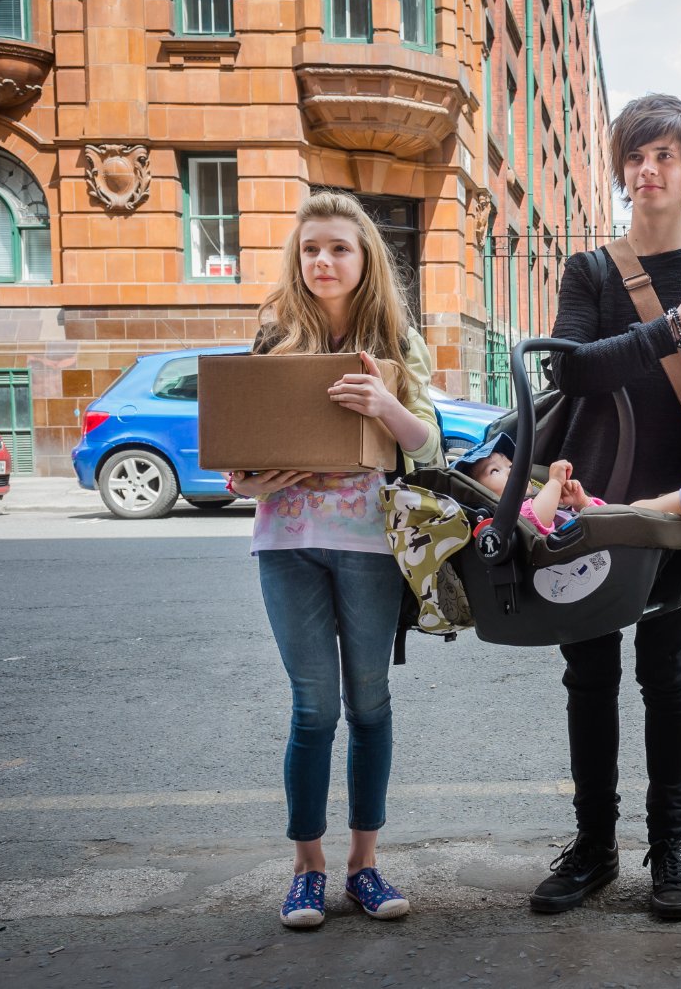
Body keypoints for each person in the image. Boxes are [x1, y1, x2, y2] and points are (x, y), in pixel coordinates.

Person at [529, 93, 681, 921]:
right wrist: (671, 326)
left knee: (666, 671)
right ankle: (594, 847)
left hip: (677, 505)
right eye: (636, 155)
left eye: (665, 155)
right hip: (591, 500)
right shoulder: (592, 269)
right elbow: (574, 371)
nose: (648, 169)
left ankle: (670, 848)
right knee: (587, 673)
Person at [227, 191, 443, 929]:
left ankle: (366, 865)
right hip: (286, 542)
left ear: (364, 258)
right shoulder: (274, 335)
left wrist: (384, 403)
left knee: (370, 703)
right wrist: (249, 478)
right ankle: (307, 869)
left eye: (338, 248)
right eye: (311, 248)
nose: (323, 259)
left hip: (371, 546)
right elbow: (237, 464)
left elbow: (429, 446)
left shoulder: (394, 335)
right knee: (313, 708)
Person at [461, 430, 681, 535]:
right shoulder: (506, 519)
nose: (511, 471)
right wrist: (552, 483)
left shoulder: (532, 500)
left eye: (511, 465)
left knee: (642, 510)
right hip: (583, 558)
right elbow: (537, 519)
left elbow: (569, 514)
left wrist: (582, 504)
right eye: (495, 471)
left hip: (594, 541)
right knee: (639, 511)